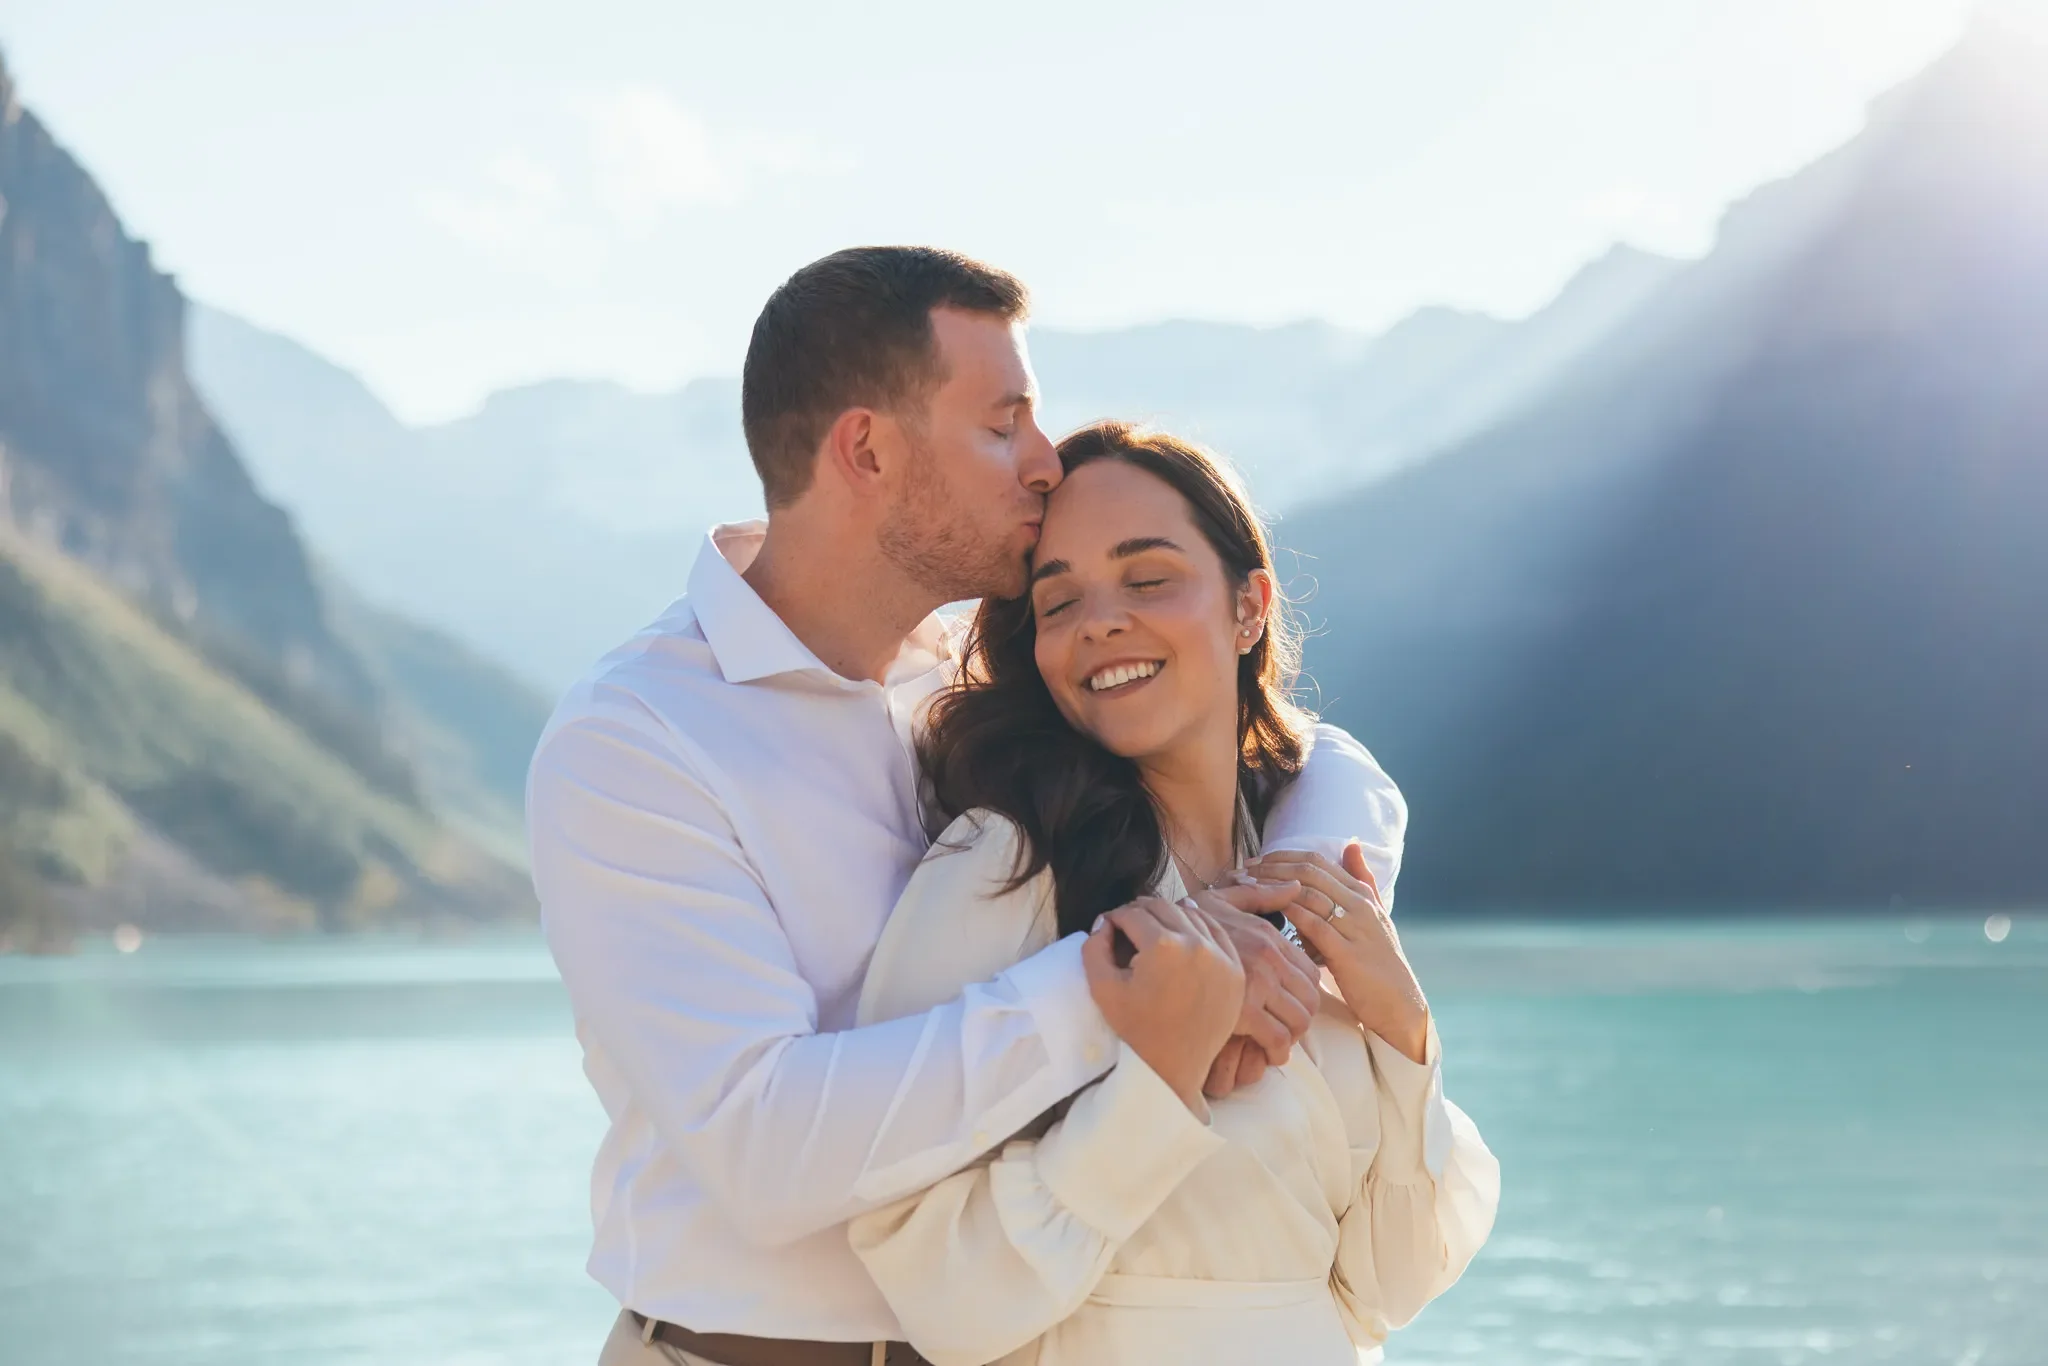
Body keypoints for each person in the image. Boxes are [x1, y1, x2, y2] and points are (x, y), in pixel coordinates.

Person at [527, 247, 1412, 1366]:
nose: (1044, 463)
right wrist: (1128, 979)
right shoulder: (638, 740)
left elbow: (1315, 757)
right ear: (866, 450)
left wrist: (1276, 912)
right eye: (1003, 426)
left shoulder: (976, 683)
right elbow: (762, 1149)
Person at [847, 422, 1498, 1365]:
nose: (1100, 621)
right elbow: (935, 1298)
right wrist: (1157, 1080)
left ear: (1249, 608)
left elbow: (1388, 1285)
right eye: (1060, 600)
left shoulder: (1302, 881)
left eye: (1147, 579)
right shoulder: (1006, 867)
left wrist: (1404, 1031)